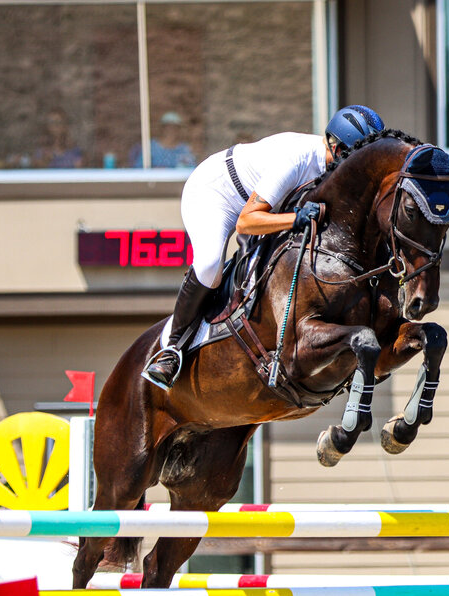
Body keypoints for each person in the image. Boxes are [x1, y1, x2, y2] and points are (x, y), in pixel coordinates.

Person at [141, 105, 385, 389]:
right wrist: (295, 218)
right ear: (333, 144)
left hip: (263, 205)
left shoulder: (337, 169)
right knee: (209, 265)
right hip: (217, 193)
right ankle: (171, 351)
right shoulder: (298, 159)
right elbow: (246, 221)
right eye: (350, 156)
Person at [130, 111, 196, 168]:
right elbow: (139, 168)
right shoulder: (151, 147)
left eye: (175, 128)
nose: (171, 131)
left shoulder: (184, 149)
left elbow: (191, 168)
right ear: (162, 129)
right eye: (168, 127)